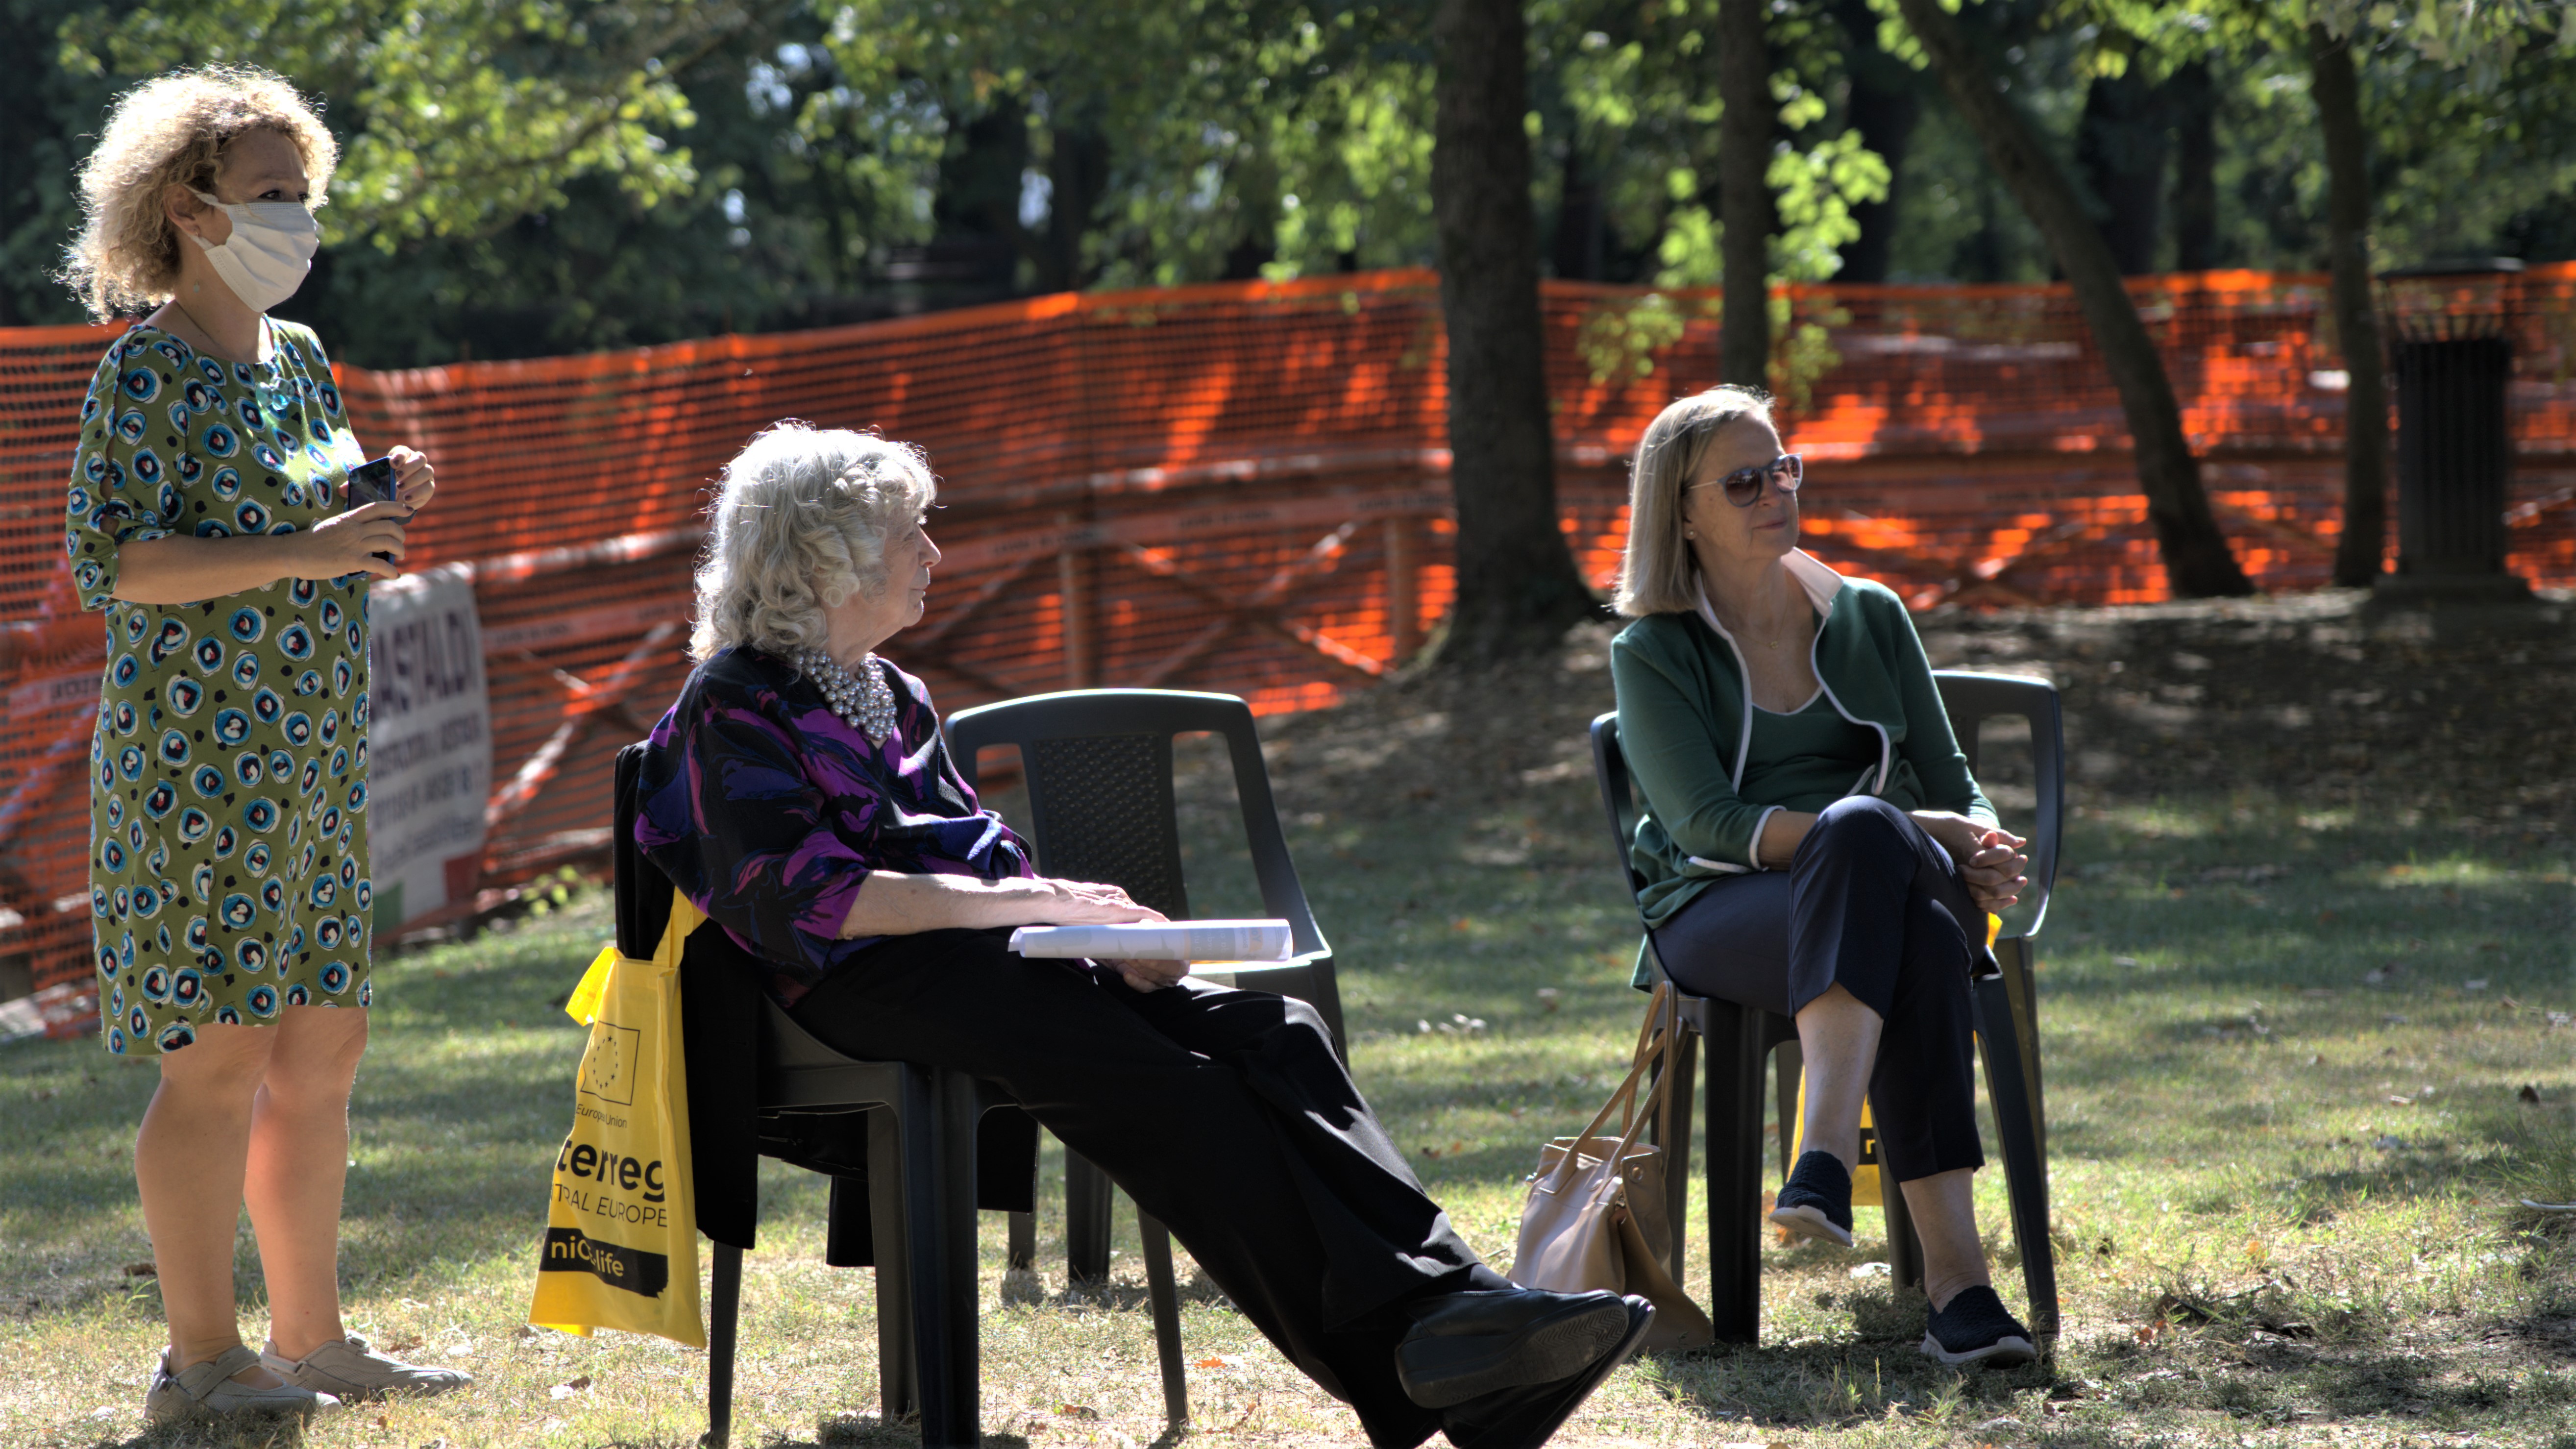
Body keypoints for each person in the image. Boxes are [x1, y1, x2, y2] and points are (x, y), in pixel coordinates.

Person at [634, 421, 1654, 1449]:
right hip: (840, 987)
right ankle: (1420, 1355)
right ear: (826, 553)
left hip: (969, 962)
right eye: (911, 532)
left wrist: (1104, 931)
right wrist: (1044, 914)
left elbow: (986, 862)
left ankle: (1459, 1310)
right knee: (1176, 1086)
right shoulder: (733, 702)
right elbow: (811, 901)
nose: (934, 555)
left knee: (1277, 1031)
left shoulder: (892, 696)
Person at [58, 66, 470, 1423]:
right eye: (273, 194)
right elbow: (114, 564)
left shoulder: (301, 360)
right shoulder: (146, 365)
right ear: (190, 208)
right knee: (219, 1056)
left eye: (306, 193)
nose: (300, 217)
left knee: (322, 1047)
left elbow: (302, 531)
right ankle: (200, 1360)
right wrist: (309, 544)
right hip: (192, 770)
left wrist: (374, 492)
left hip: (309, 765)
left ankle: (313, 1336)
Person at [1606, 386, 2039, 1367]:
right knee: (1906, 915)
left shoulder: (1870, 616)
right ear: (1681, 512)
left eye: (1784, 468)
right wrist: (1897, 826)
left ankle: (1822, 1163)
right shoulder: (1652, 649)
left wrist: (1977, 841)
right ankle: (1960, 1296)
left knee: (1873, 849)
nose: (1775, 492)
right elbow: (1705, 823)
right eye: (1744, 480)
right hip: (1717, 905)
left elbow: (1955, 783)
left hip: (1881, 881)